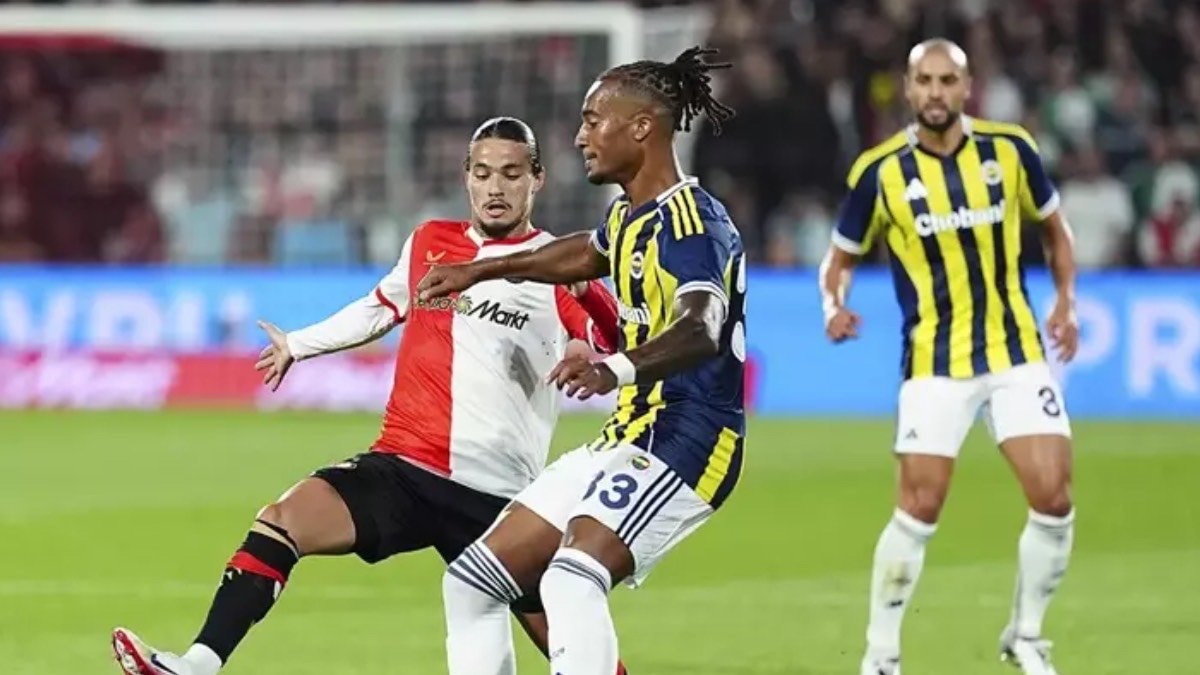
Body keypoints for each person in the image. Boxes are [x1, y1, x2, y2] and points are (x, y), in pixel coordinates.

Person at [110, 117, 627, 675]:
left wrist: (584, 341)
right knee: (283, 519)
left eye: (511, 173)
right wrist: (298, 345)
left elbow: (607, 337)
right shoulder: (430, 242)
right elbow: (380, 308)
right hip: (404, 467)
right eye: (482, 174)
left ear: (537, 179)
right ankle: (196, 665)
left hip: (498, 496)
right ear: (466, 177)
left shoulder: (556, 262)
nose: (495, 188)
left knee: (572, 640)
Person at [417, 46, 745, 675]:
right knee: (473, 582)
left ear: (641, 127)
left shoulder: (692, 225)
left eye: (594, 121)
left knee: (571, 578)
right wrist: (482, 269)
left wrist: (611, 368)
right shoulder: (631, 216)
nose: (580, 137)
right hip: (627, 436)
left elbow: (700, 327)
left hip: (689, 439)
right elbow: (584, 255)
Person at [818, 39, 1080, 675]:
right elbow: (839, 259)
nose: (936, 92)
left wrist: (1066, 302)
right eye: (925, 81)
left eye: (947, 80)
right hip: (934, 360)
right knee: (919, 508)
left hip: (1015, 350)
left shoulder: (1010, 150)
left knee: (1054, 498)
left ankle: (1026, 635)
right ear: (909, 90)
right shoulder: (880, 172)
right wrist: (833, 306)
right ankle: (881, 654)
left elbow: (1054, 229)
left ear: (967, 87)